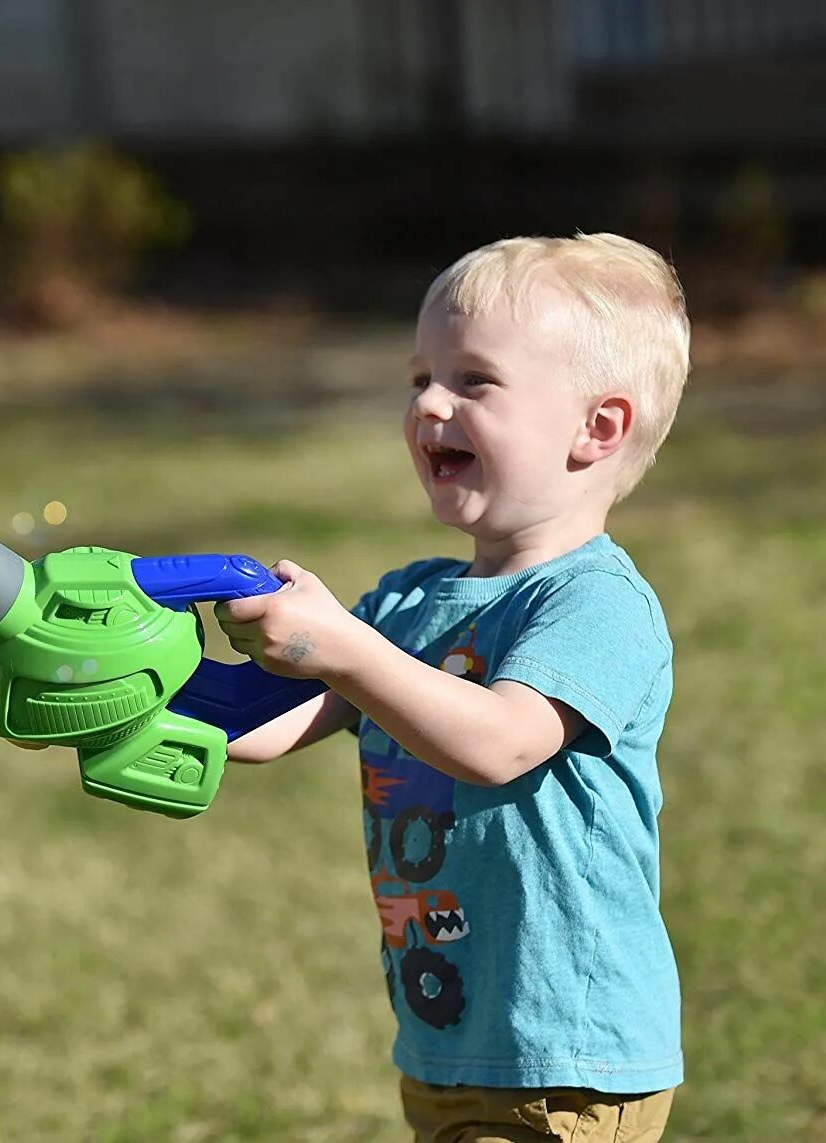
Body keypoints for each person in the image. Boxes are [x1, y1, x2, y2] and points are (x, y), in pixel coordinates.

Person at [218, 233, 688, 1143]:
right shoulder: (405, 602)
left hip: (567, 1058)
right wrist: (121, 687)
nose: (429, 401)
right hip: (449, 1043)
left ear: (597, 428)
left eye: (474, 380)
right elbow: (266, 724)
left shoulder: (596, 603)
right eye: (420, 376)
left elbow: (499, 741)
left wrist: (343, 646)